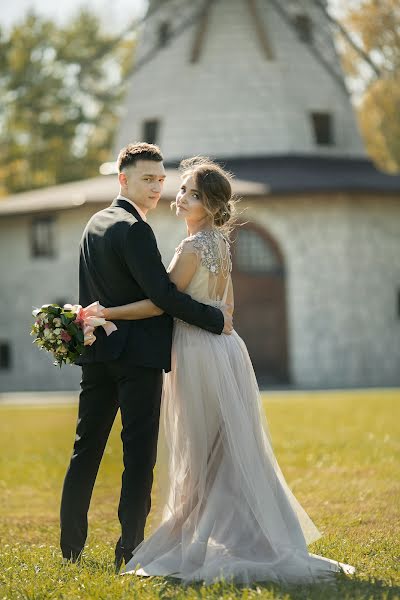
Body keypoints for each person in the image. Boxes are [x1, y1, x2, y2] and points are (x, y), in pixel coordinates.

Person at [98, 156, 355, 585]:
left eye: (191, 193)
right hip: (228, 350)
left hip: (197, 353)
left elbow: (163, 303)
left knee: (200, 452)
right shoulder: (220, 243)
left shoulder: (192, 247)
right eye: (181, 189)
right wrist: (214, 323)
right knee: (225, 449)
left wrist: (109, 311)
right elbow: (228, 309)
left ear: (211, 205)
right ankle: (235, 533)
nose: (179, 197)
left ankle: (201, 539)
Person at [59, 144, 233, 571]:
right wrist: (215, 320)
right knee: (138, 456)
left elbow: (94, 295)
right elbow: (161, 297)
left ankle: (70, 550)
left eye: (160, 179)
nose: (156, 188)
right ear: (123, 180)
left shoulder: (93, 223)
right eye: (146, 180)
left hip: (98, 351)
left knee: (86, 450)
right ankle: (130, 549)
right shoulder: (135, 229)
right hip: (136, 358)